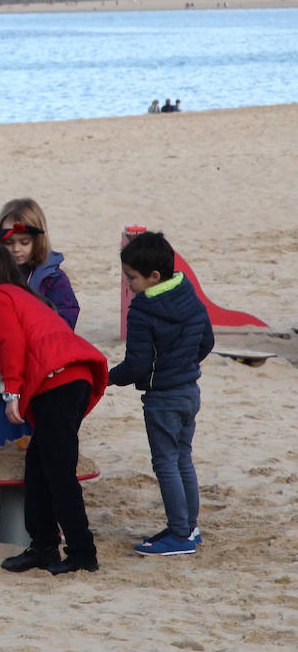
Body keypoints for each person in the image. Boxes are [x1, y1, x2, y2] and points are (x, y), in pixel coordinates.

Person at [0, 247, 108, 575]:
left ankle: (82, 552)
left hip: (58, 383)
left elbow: (11, 343)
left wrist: (12, 391)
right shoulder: (24, 294)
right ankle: (43, 546)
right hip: (72, 379)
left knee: (58, 472)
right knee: (39, 467)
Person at [109, 231, 213, 556]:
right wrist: (183, 364)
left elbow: (137, 365)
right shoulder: (187, 293)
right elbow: (206, 342)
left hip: (163, 399)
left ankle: (181, 535)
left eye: (132, 278)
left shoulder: (142, 310)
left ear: (154, 277)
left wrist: (107, 377)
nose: (128, 284)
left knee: (166, 462)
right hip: (189, 391)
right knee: (183, 459)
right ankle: (187, 526)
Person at [0, 198, 79, 450]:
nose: (16, 249)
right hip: (0, 384)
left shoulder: (52, 277)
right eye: (8, 243)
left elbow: (65, 318)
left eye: (24, 242)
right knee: (1, 453)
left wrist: (19, 316)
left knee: (37, 454)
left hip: (39, 381)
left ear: (37, 241)